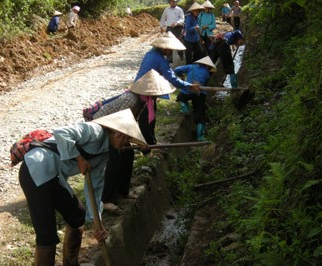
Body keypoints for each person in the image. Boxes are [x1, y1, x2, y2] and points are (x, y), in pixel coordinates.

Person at [18, 109, 147, 265]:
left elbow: (96, 187)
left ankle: (71, 263)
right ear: (119, 134)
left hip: (53, 175)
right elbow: (61, 133)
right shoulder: (95, 130)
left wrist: (97, 223)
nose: (125, 146)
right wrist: (79, 159)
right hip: (36, 169)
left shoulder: (104, 154)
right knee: (47, 233)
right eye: (126, 141)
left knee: (78, 215)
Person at [84, 70, 175, 213]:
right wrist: (130, 143)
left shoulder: (143, 101)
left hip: (118, 128)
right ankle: (106, 200)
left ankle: (123, 191)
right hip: (105, 127)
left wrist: (140, 143)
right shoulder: (131, 100)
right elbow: (119, 122)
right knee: (115, 160)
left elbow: (132, 123)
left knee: (128, 156)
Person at [174, 56, 216, 141]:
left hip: (188, 90)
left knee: (181, 97)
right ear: (207, 66)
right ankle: (200, 137)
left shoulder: (190, 67)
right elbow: (205, 84)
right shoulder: (207, 73)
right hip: (200, 94)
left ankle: (185, 109)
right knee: (200, 115)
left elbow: (176, 69)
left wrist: (181, 75)